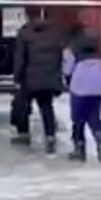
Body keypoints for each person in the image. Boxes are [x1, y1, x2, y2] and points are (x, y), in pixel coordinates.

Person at [12, 16, 64, 154]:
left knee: (22, 105)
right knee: (46, 107)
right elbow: (59, 57)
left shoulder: (25, 33)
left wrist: (17, 77)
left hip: (29, 78)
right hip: (48, 78)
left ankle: (23, 134)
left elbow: (20, 58)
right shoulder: (54, 34)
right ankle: (50, 136)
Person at [63, 35, 101, 163]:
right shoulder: (99, 57)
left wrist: (68, 82)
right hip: (96, 91)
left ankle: (79, 148)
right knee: (95, 117)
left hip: (78, 89)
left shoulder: (74, 54)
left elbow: (67, 71)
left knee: (78, 119)